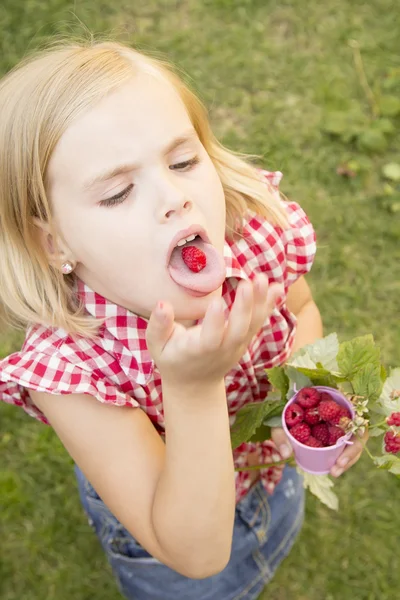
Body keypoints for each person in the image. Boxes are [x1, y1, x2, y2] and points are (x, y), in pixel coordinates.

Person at [0, 40, 365, 600]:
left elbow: (302, 310)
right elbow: (194, 552)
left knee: (276, 537)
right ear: (54, 243)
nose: (174, 197)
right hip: (172, 542)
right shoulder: (74, 369)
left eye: (183, 162)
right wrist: (192, 387)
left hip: (269, 470)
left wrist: (310, 403)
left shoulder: (256, 240)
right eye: (118, 192)